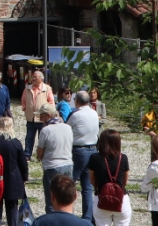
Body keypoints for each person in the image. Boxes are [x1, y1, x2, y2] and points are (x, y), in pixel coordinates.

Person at [87, 129, 131, 226]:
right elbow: (125, 181)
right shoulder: (123, 158)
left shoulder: (94, 158)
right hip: (121, 199)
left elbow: (92, 180)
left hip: (101, 198)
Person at [68, 91, 100, 223]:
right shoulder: (94, 113)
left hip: (78, 150)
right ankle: (87, 217)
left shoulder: (76, 115)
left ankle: (67, 212)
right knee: (87, 186)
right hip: (93, 148)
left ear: (76, 101)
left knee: (70, 182)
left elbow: (66, 128)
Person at [0, 117, 28, 226]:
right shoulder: (15, 143)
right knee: (12, 208)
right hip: (13, 177)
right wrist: (24, 177)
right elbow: (22, 163)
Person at [36, 104, 73, 211]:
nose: (40, 118)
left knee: (52, 199)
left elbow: (40, 152)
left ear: (48, 115)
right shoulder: (68, 127)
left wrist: (40, 157)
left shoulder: (46, 130)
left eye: (41, 116)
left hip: (52, 166)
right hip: (68, 164)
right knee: (67, 197)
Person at [21, 71, 53, 156]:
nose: (33, 79)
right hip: (31, 118)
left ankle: (41, 156)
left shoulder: (47, 89)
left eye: (35, 77)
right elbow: (23, 100)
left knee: (42, 138)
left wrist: (49, 113)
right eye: (32, 77)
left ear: (41, 79)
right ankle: (27, 155)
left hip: (42, 118)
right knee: (29, 138)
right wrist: (25, 108)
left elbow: (51, 102)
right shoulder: (27, 88)